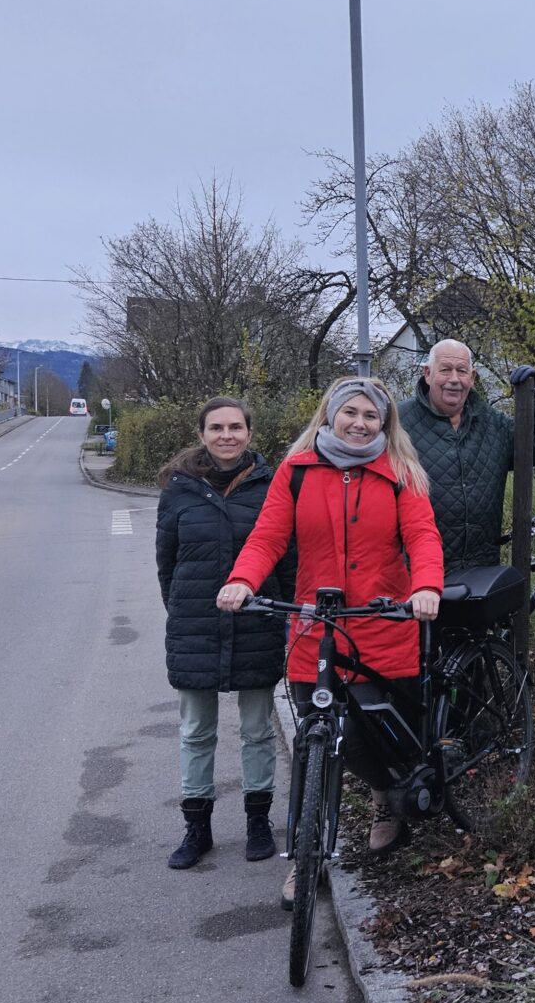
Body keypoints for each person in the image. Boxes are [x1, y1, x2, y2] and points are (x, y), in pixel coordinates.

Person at [217, 376, 444, 908]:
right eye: (351, 413)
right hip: (315, 626)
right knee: (314, 742)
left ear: (384, 423)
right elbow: (269, 535)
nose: (360, 423)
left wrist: (426, 587)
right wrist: (242, 580)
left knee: (373, 738)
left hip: (379, 623)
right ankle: (305, 856)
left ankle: (385, 797)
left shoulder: (400, 472)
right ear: (331, 415)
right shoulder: (296, 471)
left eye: (371, 416)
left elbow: (421, 535)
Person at [155, 397, 295, 870]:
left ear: (249, 433)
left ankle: (258, 822)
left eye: (236, 427)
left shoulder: (273, 487)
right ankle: (198, 828)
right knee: (196, 731)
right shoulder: (178, 490)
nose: (227, 435)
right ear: (202, 434)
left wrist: (287, 614)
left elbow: (287, 557)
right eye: (217, 427)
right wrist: (182, 610)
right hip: (195, 624)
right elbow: (166, 563)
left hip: (258, 620)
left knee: (257, 730)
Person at [398, 339, 535, 572]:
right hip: (417, 573)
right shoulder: (398, 423)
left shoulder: (492, 423)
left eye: (462, 371)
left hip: (481, 569)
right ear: (427, 373)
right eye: (445, 370)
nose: (454, 379)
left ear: (473, 377)